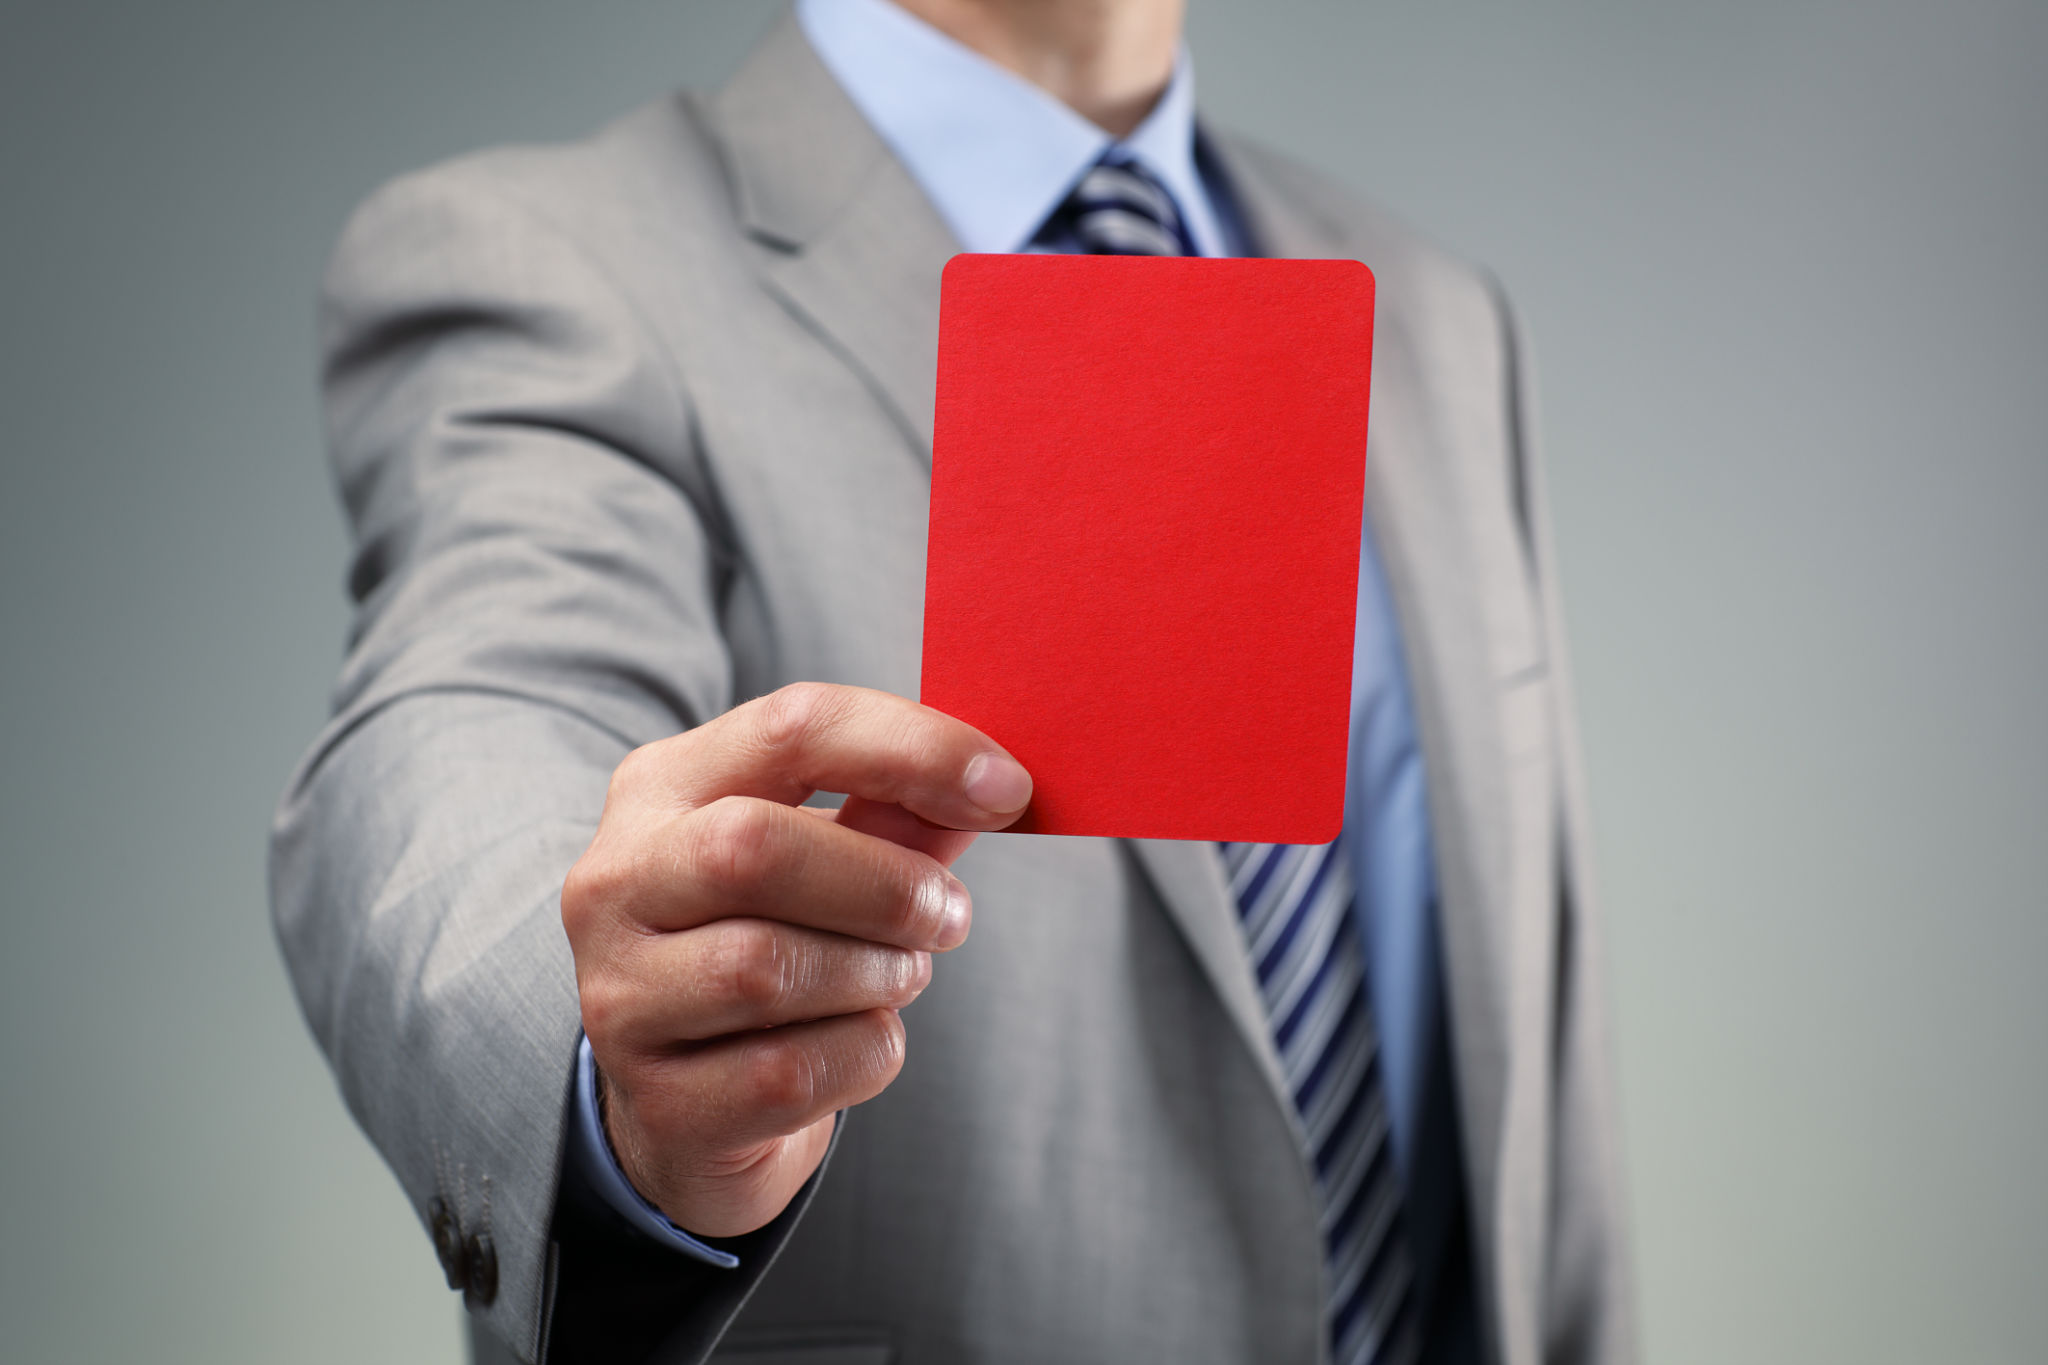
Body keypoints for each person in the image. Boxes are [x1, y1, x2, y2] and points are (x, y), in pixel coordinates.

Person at [270, 0, 1634, 1361]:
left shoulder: (1440, 320)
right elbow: (457, 745)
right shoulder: (560, 262)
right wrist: (607, 1030)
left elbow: (1533, 1110)